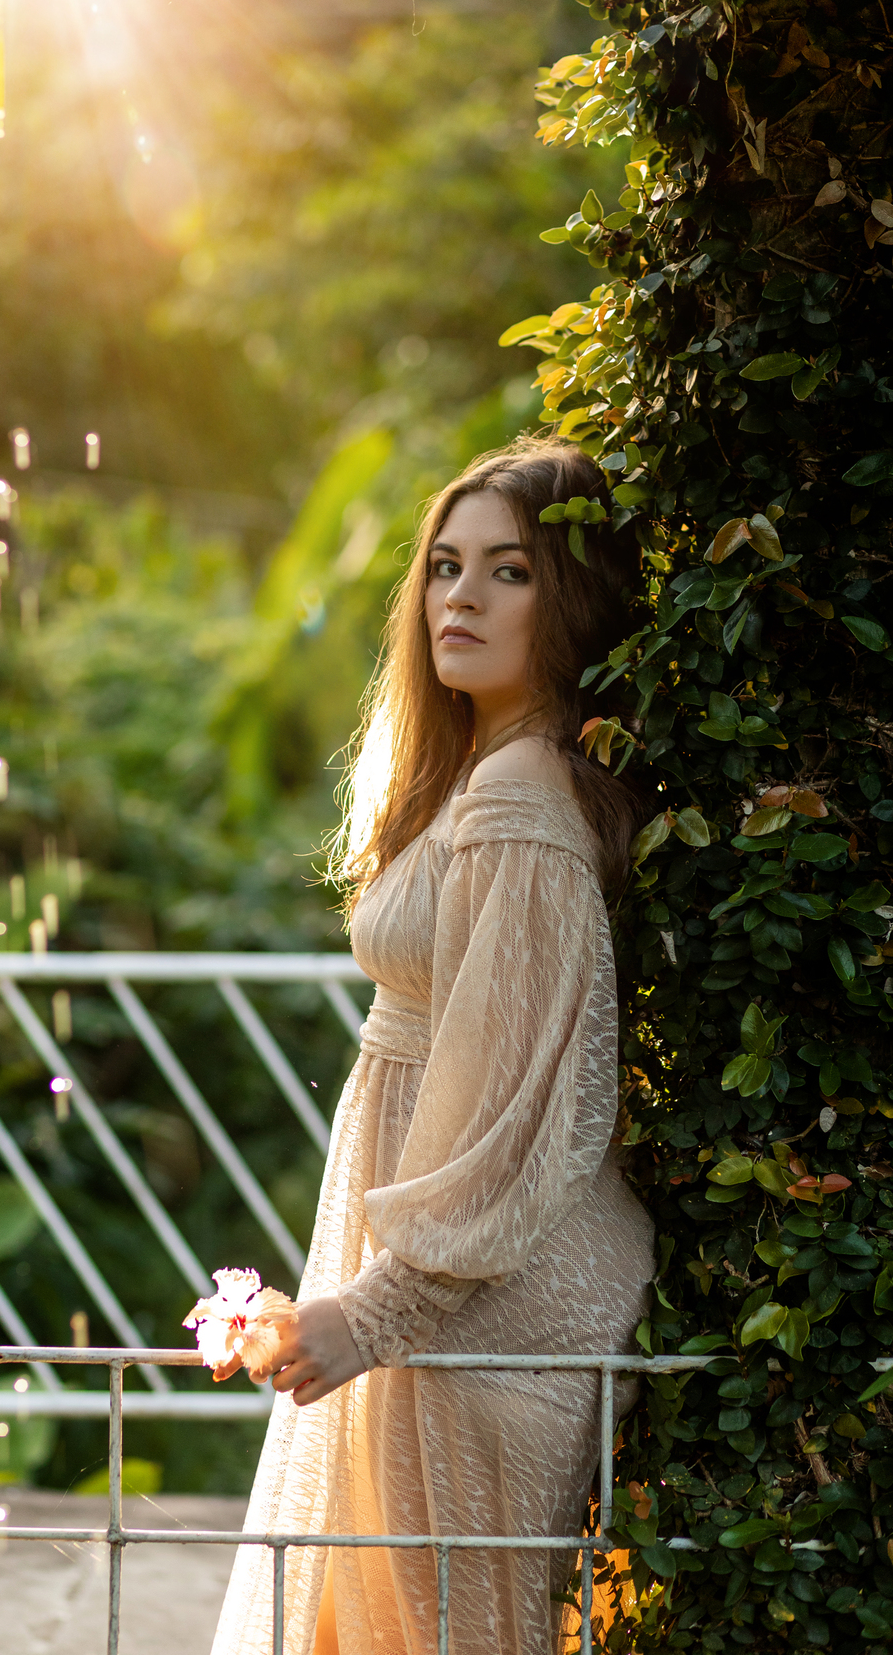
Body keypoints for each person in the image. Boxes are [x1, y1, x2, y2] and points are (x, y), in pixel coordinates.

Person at [211, 436, 657, 1655]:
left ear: (574, 601)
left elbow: (514, 1096)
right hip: (454, 1292)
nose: (460, 597)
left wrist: (382, 1307)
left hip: (488, 1305)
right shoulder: (485, 776)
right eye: (446, 567)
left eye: (509, 572)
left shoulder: (520, 801)